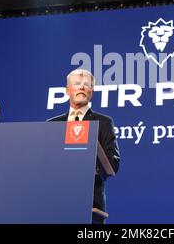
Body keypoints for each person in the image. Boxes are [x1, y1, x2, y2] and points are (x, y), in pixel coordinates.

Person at [47, 69, 120, 223]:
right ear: (67, 90)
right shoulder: (53, 124)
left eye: (86, 85)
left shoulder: (104, 122)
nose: (82, 87)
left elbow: (113, 163)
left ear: (91, 92)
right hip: (56, 203)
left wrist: (86, 170)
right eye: (77, 84)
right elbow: (44, 162)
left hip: (91, 205)